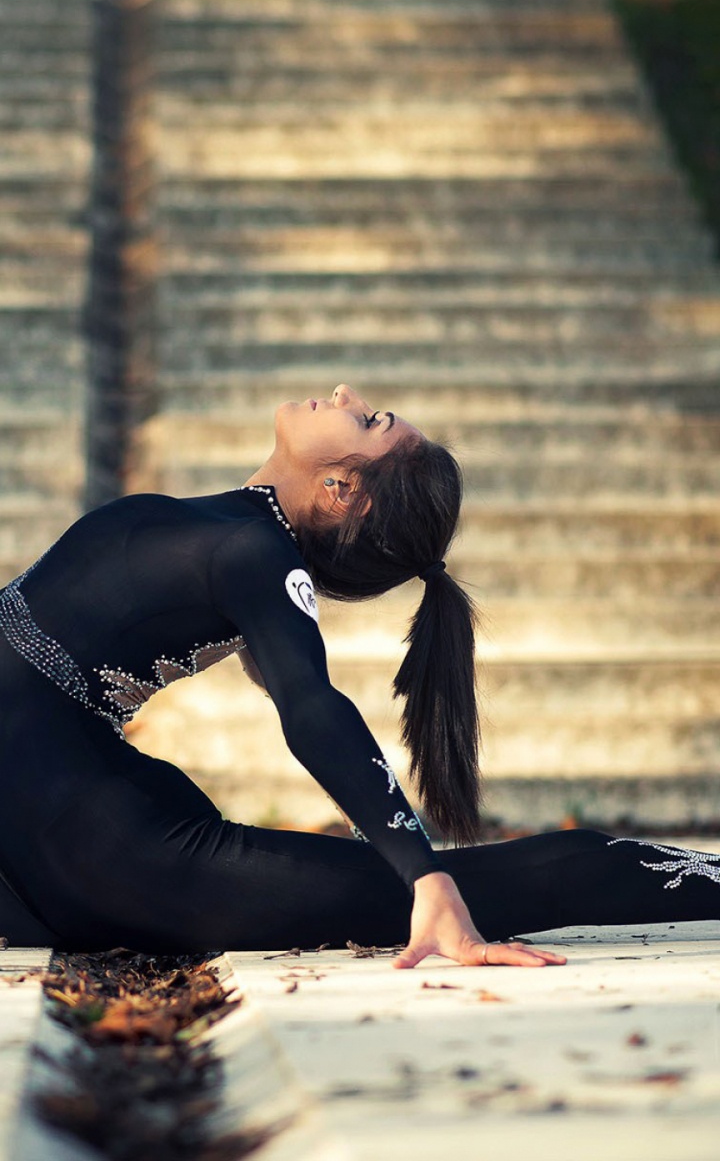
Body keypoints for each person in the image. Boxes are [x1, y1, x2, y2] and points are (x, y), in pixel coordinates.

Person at [0, 384, 718, 965]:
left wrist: (425, 873)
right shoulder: (240, 538)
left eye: (368, 419)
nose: (344, 393)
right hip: (56, 823)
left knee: (491, 887)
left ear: (343, 488)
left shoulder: (254, 553)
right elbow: (259, 651)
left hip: (96, 845)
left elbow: (310, 704)